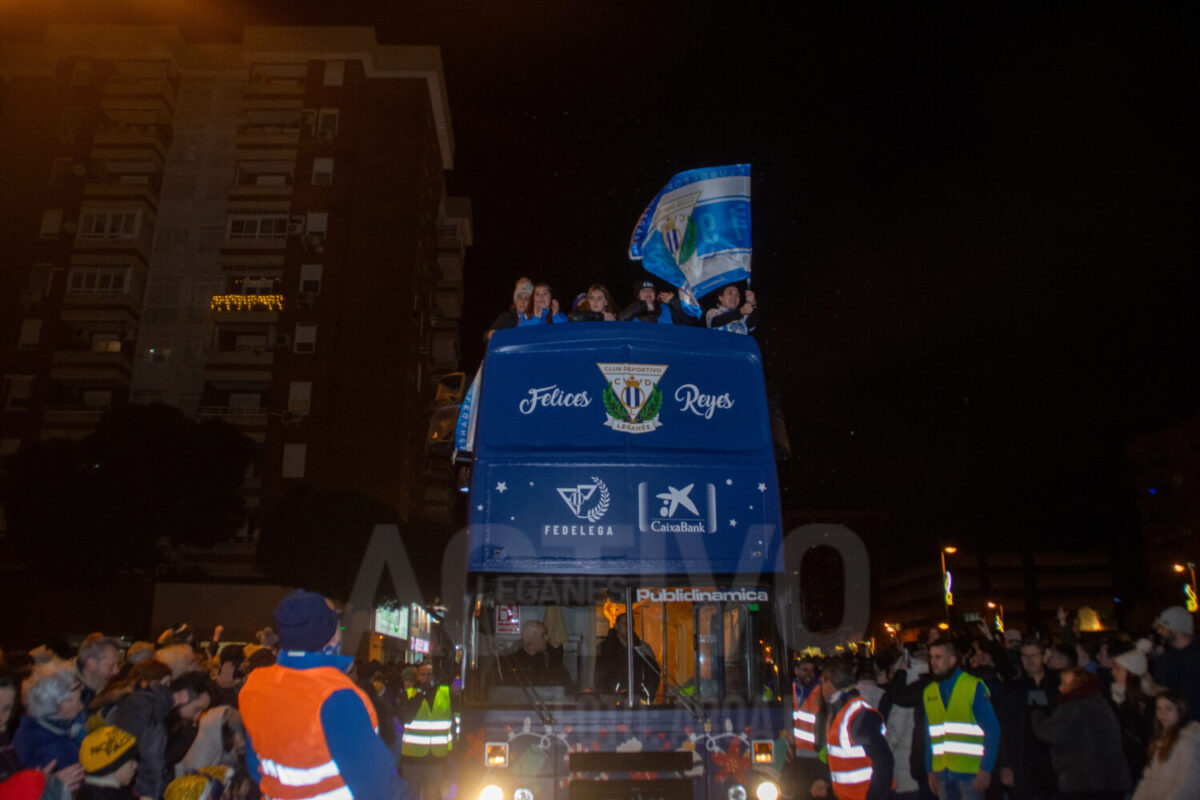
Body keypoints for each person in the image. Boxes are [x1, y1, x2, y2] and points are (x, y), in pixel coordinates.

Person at [239, 589, 413, 800]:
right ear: (330, 638)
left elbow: (255, 765)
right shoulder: (337, 695)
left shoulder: (255, 685)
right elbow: (379, 787)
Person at [110, 670, 212, 800]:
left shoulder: (164, 715)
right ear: (182, 696)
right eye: (198, 709)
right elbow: (127, 758)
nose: (197, 717)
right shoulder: (142, 708)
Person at [1032, 667, 1129, 799]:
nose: (1060, 688)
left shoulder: (1073, 705)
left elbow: (1047, 732)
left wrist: (1036, 713)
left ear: (1078, 685)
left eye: (1065, 684)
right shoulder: (1100, 702)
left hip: (1082, 781)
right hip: (1111, 779)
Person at [922, 640, 1000, 800]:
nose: (933, 663)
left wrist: (986, 768)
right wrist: (930, 769)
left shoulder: (972, 686)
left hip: (970, 773)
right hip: (942, 773)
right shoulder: (929, 691)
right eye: (931, 657)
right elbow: (929, 735)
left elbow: (992, 730)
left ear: (952, 660)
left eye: (938, 657)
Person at [817, 659, 893, 800]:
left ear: (830, 684)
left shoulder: (858, 716)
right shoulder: (838, 713)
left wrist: (874, 797)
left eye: (822, 682)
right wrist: (827, 781)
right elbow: (843, 760)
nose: (820, 687)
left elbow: (884, 760)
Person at [12, 661, 86, 793]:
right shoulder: (50, 748)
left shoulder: (42, 729)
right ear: (59, 705)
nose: (81, 707)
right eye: (76, 700)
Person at [999, 637, 1058, 800]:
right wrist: (1006, 764)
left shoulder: (1058, 685)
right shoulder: (1013, 689)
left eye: (1033, 655)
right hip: (1023, 763)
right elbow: (1004, 728)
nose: (1029, 661)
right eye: (1024, 656)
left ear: (1044, 656)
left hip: (1055, 765)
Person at [399, 663, 455, 800]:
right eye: (423, 674)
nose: (427, 678)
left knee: (433, 795)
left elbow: (454, 724)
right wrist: (419, 694)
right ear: (417, 677)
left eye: (430, 674)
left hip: (436, 759)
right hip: (412, 759)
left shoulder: (446, 693)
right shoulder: (410, 693)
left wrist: (452, 753)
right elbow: (404, 717)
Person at [1132, 692, 1200, 800]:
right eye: (1159, 708)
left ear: (1180, 710)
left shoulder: (1189, 742)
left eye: (1168, 709)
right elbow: (1148, 779)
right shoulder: (1161, 740)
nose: (1162, 714)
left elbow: (1187, 784)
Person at [1109, 641, 1157, 786]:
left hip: (1138, 769)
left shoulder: (1145, 704)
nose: (1112, 672)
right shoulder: (1114, 696)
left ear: (1130, 673)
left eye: (1117, 669)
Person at [593, 615, 659, 702]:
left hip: (639, 704)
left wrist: (644, 695)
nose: (629, 627)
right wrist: (612, 698)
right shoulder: (605, 648)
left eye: (632, 624)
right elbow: (600, 678)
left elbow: (653, 674)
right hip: (613, 705)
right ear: (616, 626)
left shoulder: (643, 648)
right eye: (625, 624)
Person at [1151, 606, 1200, 721]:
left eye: (1163, 628)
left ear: (1175, 629)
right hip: (1177, 726)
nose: (1160, 632)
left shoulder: (1195, 654)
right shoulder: (1167, 658)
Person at [498, 620, 571, 689]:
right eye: (543, 635)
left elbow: (567, 687)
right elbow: (496, 690)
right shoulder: (509, 662)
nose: (547, 638)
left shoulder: (552, 662)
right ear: (530, 639)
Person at [77, 725, 138, 800]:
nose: (135, 765)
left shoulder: (83, 793)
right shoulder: (119, 797)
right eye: (131, 761)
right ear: (115, 767)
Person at [75, 637, 120, 715]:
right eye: (111, 665)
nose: (116, 671)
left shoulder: (93, 692)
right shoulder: (67, 695)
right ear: (91, 664)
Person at [618, 279, 684, 324]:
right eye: (644, 290)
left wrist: (675, 302)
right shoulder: (632, 311)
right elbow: (621, 321)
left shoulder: (666, 309)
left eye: (651, 290)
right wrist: (642, 305)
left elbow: (686, 322)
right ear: (638, 295)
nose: (648, 292)